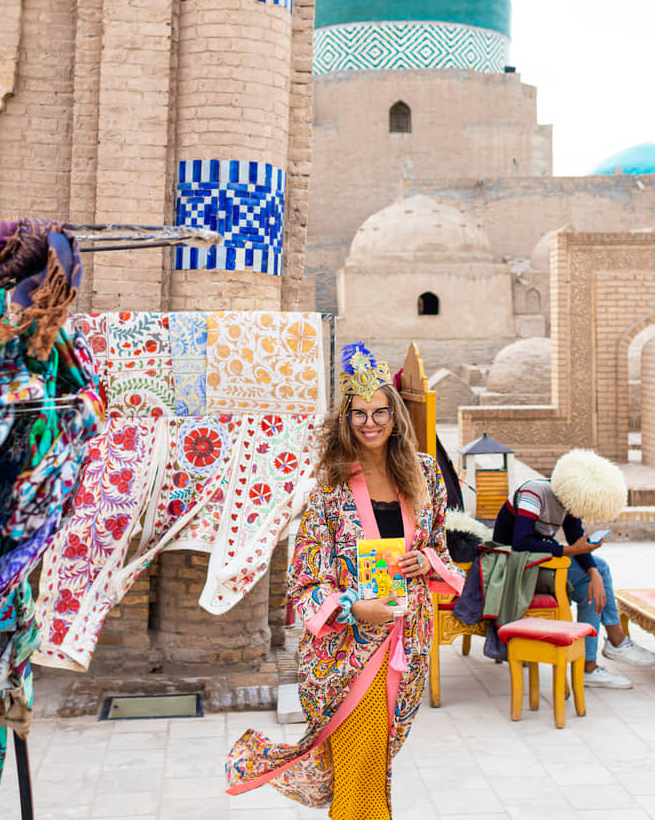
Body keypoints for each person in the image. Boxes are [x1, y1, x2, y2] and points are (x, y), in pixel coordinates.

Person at [226, 342, 464, 817]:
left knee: (374, 762)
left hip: (407, 639)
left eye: (380, 413)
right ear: (345, 421)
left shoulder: (425, 475)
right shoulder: (329, 488)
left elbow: (440, 549)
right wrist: (355, 607)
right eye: (359, 415)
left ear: (395, 416)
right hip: (348, 650)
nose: (370, 423)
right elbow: (304, 578)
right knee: (358, 763)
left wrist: (427, 563)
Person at [493, 448, 655, 688]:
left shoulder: (568, 502)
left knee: (596, 575)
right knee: (591, 581)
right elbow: (521, 542)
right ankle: (610, 646)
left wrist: (593, 572)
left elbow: (576, 538)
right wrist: (570, 552)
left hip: (536, 562)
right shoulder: (533, 493)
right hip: (512, 565)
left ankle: (600, 655)